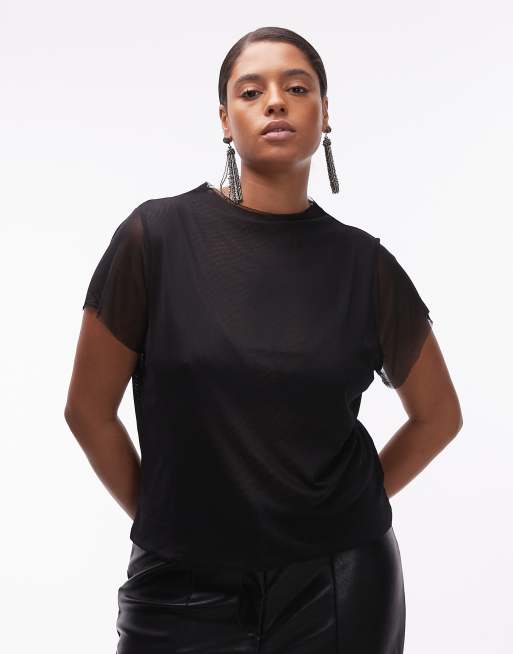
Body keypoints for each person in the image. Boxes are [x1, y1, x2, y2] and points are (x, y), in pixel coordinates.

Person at [64, 26, 463, 654]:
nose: (276, 101)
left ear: (325, 114)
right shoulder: (156, 238)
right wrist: (165, 520)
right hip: (181, 584)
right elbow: (87, 410)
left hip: (340, 585)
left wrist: (338, 512)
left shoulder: (366, 268)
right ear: (226, 120)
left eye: (297, 88)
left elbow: (439, 416)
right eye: (251, 92)